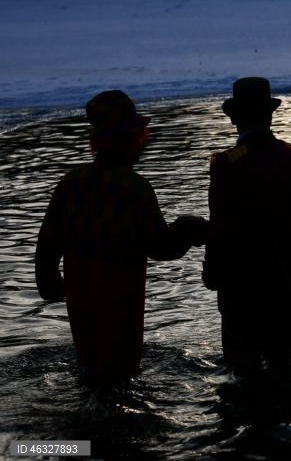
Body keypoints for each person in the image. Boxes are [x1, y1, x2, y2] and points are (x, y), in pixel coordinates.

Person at [35, 90, 208, 383]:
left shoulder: (72, 183)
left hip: (81, 298)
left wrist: (51, 283)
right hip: (120, 299)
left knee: (89, 371)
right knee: (121, 374)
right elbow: (161, 246)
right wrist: (189, 228)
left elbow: (47, 245)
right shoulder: (133, 187)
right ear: (132, 139)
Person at [203, 77, 291, 371]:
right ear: (270, 115)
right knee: (285, 367)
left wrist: (212, 272)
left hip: (243, 283)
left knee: (243, 369)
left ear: (233, 118)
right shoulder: (290, 155)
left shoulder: (226, 163)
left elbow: (221, 224)